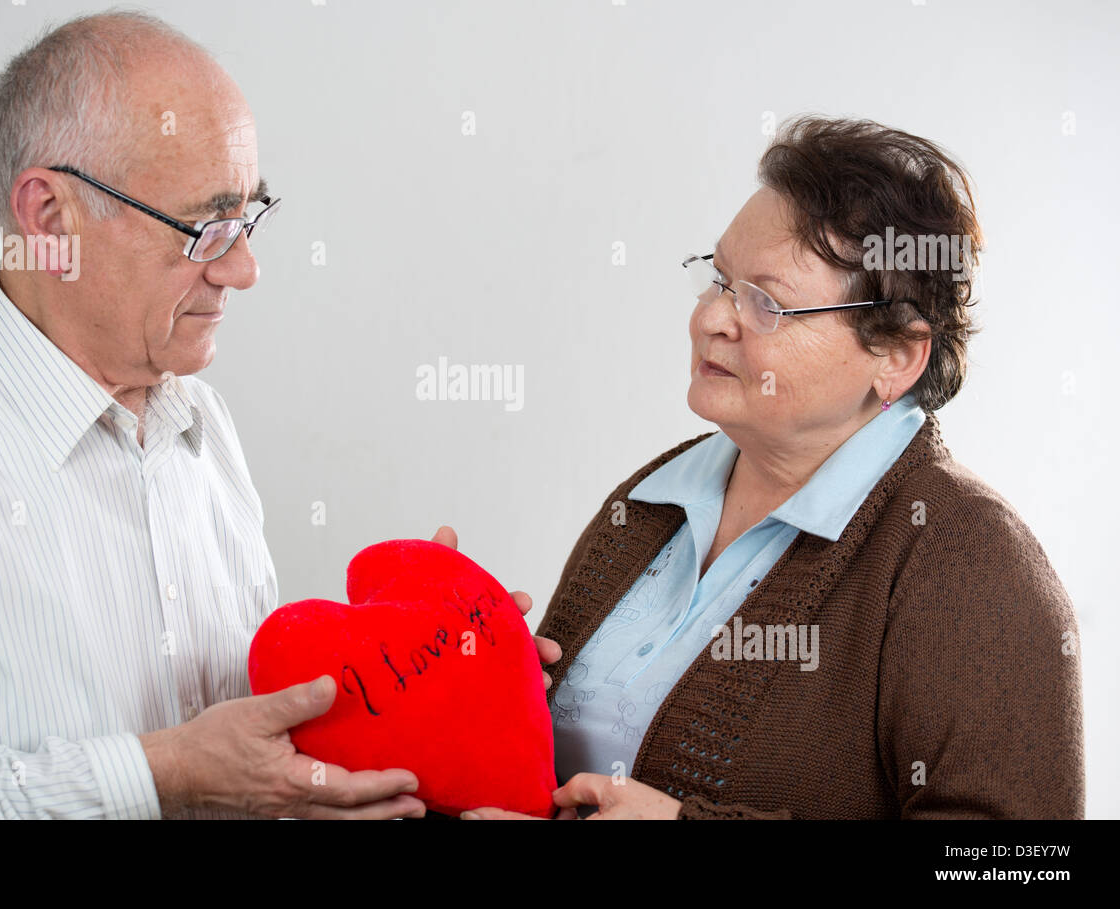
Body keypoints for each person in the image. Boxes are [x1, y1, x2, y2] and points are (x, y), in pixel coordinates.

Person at [0, 9, 556, 819]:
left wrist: (435, 671)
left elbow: (245, 754)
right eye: (206, 226)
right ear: (49, 219)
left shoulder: (201, 424)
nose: (244, 267)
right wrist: (158, 775)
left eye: (250, 215)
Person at [464, 117, 1084, 820]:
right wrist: (440, 689)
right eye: (720, 278)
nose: (712, 318)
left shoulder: (969, 560)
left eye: (766, 301)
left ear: (897, 356)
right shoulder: (648, 502)